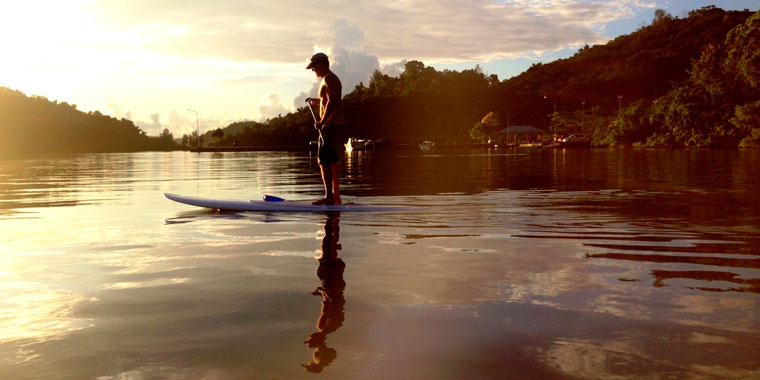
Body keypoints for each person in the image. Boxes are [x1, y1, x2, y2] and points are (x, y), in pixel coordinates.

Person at [306, 52, 346, 205]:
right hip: (330, 127)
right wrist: (317, 100)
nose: (313, 70)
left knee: (327, 161)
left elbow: (333, 101)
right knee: (328, 162)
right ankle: (333, 197)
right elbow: (327, 99)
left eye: (314, 66)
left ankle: (331, 198)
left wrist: (322, 121)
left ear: (322, 64)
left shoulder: (330, 79)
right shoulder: (327, 80)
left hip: (332, 127)